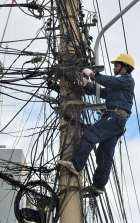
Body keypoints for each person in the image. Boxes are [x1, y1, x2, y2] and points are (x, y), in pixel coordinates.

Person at [57, 53, 135, 194]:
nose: (114, 68)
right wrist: (87, 84)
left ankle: (76, 165)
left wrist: (93, 74)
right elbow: (103, 92)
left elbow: (108, 81)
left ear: (125, 67)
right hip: (118, 122)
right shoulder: (120, 85)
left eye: (116, 66)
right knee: (105, 154)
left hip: (114, 117)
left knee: (90, 135)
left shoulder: (126, 79)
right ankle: (98, 186)